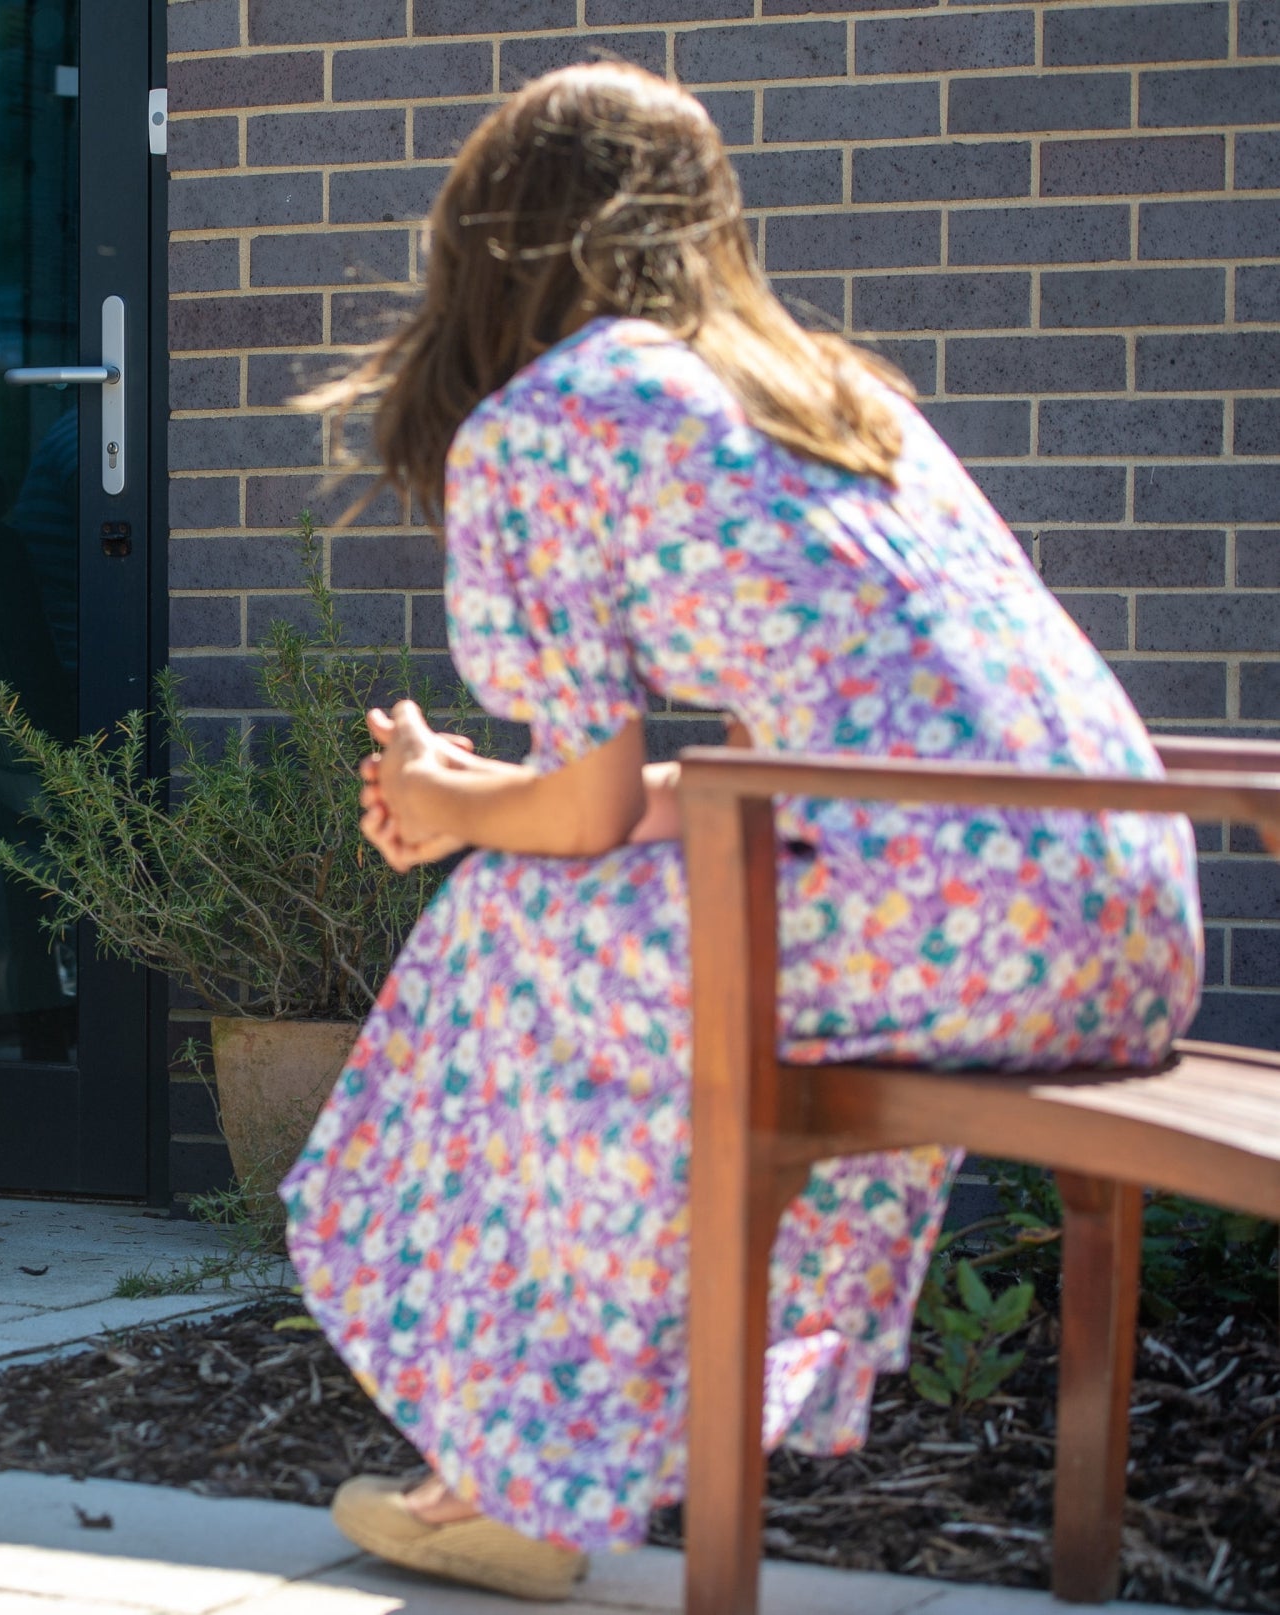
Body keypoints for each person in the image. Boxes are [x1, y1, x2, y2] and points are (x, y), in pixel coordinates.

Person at [284, 63, 1200, 1601]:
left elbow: (579, 811)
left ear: (491, 241)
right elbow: (776, 783)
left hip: (939, 905)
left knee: (513, 930)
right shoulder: (835, 391)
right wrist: (480, 797)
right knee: (604, 910)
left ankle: (522, 1469)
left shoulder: (554, 419)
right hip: (1120, 913)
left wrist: (460, 807)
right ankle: (547, 1453)